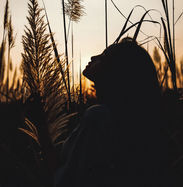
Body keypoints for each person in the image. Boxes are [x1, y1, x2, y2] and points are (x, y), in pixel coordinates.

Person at [54, 37, 171, 187]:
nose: (93, 57)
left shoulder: (98, 117)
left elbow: (66, 180)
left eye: (103, 57)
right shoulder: (138, 122)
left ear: (115, 70)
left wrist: (42, 130)